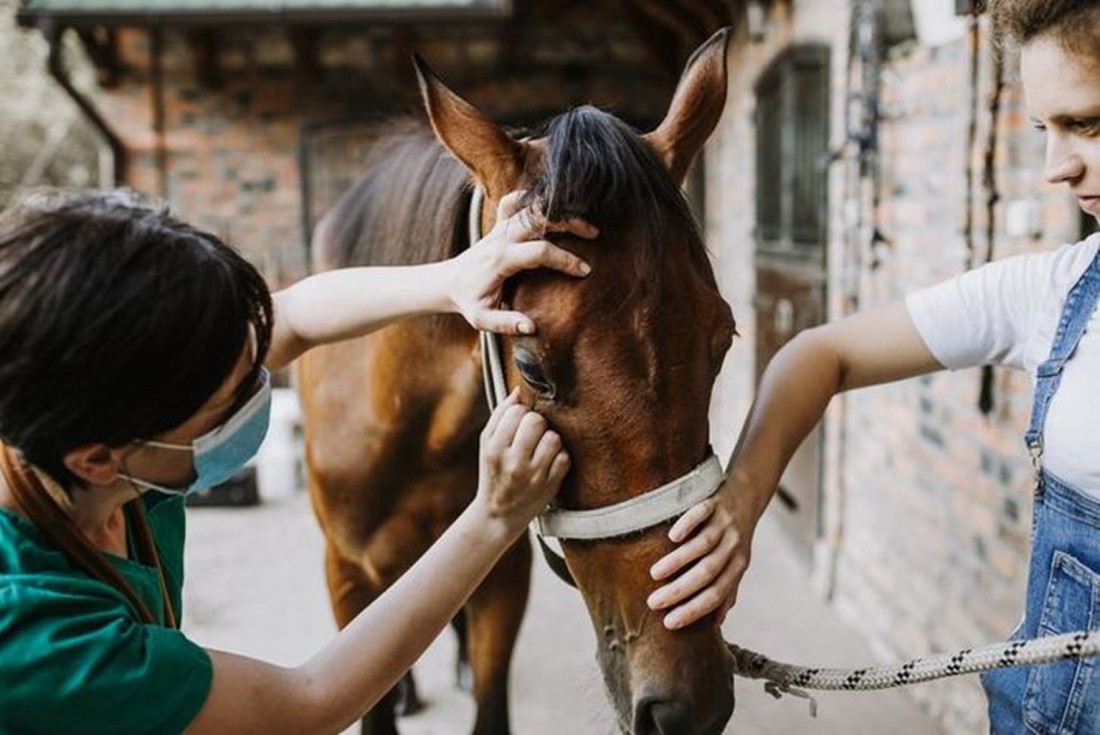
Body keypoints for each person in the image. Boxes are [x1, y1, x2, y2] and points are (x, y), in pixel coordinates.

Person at [648, 0, 1100, 731]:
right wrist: (739, 505)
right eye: (1047, 129)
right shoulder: (1051, 293)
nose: (1058, 167)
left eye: (1089, 124)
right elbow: (820, 353)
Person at [0, 187, 596, 734]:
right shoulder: (44, 642)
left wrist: (455, 278)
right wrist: (493, 516)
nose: (258, 387)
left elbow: (295, 317)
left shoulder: (80, 425)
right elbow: (307, 702)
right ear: (98, 459)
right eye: (226, 399)